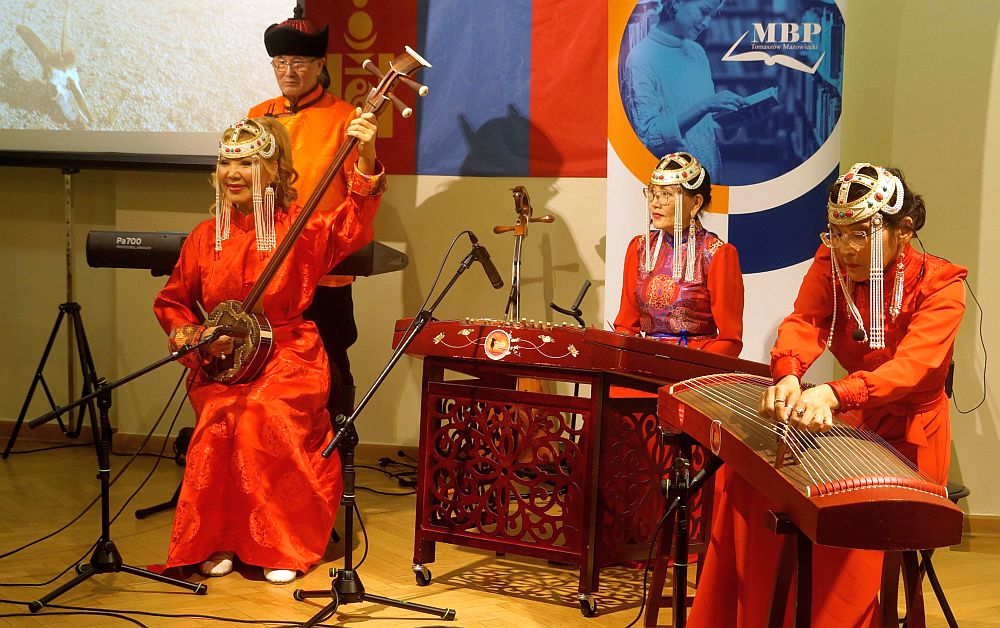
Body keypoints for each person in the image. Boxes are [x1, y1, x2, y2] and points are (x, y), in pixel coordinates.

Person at [687, 163, 967, 626]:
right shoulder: (831, 264)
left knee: (839, 515)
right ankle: (755, 615)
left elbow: (912, 369)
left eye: (860, 234)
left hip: (911, 439)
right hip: (856, 424)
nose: (846, 248)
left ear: (903, 231)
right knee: (748, 482)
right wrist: (788, 375)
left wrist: (835, 395)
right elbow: (804, 322)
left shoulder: (941, 285)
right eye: (836, 234)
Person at [152, 114, 384, 584]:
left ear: (274, 171)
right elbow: (172, 302)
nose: (232, 173)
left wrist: (365, 154)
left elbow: (352, 223)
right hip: (226, 363)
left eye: (247, 163)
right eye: (225, 163)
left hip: (289, 356)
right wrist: (198, 339)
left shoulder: (300, 226)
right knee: (219, 423)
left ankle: (279, 541)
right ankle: (219, 539)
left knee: (264, 416)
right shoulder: (204, 237)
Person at [247, 8, 367, 421]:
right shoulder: (258, 115)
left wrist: (367, 152)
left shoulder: (345, 117)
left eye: (298, 62)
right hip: (267, 263)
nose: (288, 71)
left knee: (329, 360)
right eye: (280, 62)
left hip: (323, 266)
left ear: (319, 65)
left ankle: (334, 445)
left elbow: (361, 191)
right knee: (264, 361)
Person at [613, 151, 744, 357]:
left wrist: (687, 364)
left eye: (666, 195)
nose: (655, 203)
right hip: (644, 362)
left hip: (693, 365)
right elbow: (626, 325)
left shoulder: (717, 253)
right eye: (653, 193)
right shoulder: (639, 248)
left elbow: (729, 340)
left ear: (696, 202)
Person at [622, 0, 745, 178]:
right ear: (677, 2)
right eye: (704, 12)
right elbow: (649, 138)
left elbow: (708, 130)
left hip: (710, 179)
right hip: (674, 183)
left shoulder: (697, 52)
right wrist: (704, 106)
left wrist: (735, 121)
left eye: (712, 15)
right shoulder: (641, 58)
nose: (707, 23)